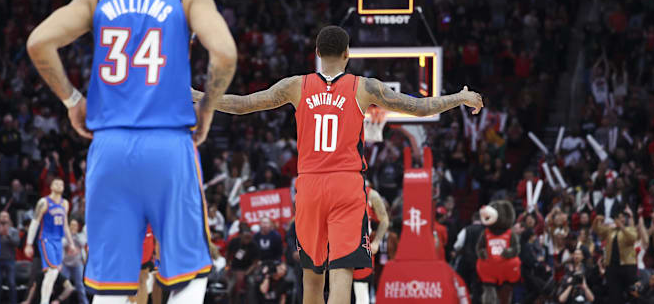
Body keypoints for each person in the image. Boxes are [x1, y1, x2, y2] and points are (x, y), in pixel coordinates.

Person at [26, 0, 237, 304]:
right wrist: (207, 108)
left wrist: (72, 99)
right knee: (191, 274)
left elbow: (38, 42)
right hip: (168, 145)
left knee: (111, 285)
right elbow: (224, 53)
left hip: (109, 148)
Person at [194, 25, 483, 304]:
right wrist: (459, 96)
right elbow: (419, 107)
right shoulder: (364, 87)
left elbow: (242, 104)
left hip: (309, 186)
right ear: (348, 53)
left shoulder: (295, 85)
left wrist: (197, 96)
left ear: (318, 51)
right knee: (341, 276)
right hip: (346, 186)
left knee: (312, 279)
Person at [23, 178, 76, 304]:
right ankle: (44, 301)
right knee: (52, 271)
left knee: (53, 273)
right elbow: (35, 222)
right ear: (51, 186)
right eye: (56, 183)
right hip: (46, 239)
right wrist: (29, 244)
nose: (59, 185)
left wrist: (71, 243)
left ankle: (45, 300)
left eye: (62, 184)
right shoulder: (43, 202)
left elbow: (66, 226)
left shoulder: (65, 203)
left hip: (58, 241)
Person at [593, 205, 638, 303]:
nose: (619, 219)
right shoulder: (610, 230)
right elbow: (597, 230)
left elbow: (632, 238)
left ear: (625, 219)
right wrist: (596, 220)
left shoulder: (630, 229)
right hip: (612, 267)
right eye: (617, 217)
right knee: (614, 295)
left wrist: (621, 227)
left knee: (632, 293)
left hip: (627, 266)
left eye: (622, 217)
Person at [352, 186, 390, 304]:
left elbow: (384, 220)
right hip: (339, 247)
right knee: (338, 290)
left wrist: (376, 242)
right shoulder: (335, 191)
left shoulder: (370, 194)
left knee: (361, 293)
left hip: (361, 248)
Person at [0, 211, 20, 304]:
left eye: (6, 216)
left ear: (9, 219)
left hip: (10, 260)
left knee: (12, 283)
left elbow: (17, 243)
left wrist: (8, 236)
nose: (4, 218)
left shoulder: (14, 230)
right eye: (2, 216)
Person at [61, 219, 88, 304]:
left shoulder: (80, 235)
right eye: (71, 225)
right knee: (65, 286)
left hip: (78, 264)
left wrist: (75, 235)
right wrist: (70, 237)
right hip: (66, 264)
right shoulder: (64, 236)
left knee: (80, 285)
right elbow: (62, 244)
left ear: (78, 227)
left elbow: (83, 243)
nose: (73, 227)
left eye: (75, 225)